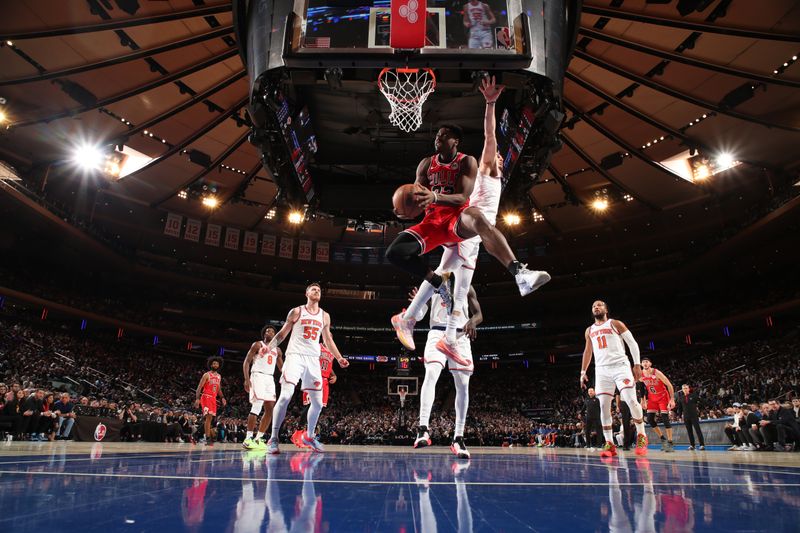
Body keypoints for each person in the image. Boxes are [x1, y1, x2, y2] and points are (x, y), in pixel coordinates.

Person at [390, 78, 549, 358]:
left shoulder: (486, 172)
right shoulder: (483, 165)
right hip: (463, 225)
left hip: (468, 231)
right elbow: (490, 137)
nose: (496, 156)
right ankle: (519, 274)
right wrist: (490, 103)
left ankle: (428, 328)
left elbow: (464, 194)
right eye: (496, 155)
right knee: (454, 281)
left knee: (456, 288)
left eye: (500, 157)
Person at [264, 283, 349, 454]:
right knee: (286, 395)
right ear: (306, 293)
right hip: (295, 356)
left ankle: (309, 436)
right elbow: (282, 333)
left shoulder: (325, 316)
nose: (316, 291)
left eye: (318, 290)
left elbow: (328, 340)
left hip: (313, 359)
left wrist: (339, 357)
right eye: (313, 289)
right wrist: (270, 347)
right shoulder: (296, 311)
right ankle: (273, 438)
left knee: (318, 403)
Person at [412, 284, 483, 459]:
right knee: (431, 373)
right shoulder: (432, 282)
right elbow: (420, 315)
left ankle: (458, 438)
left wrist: (472, 321)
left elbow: (479, 314)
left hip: (460, 335)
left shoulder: (467, 284)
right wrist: (417, 304)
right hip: (437, 331)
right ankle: (423, 429)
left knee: (463, 385)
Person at [580, 300, 649, 457]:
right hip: (602, 370)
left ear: (605, 309)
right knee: (603, 405)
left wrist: (637, 364)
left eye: (599, 305)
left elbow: (632, 343)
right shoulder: (589, 330)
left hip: (620, 366)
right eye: (593, 306)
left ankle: (641, 435)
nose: (596, 307)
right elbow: (587, 351)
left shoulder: (615, 324)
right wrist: (583, 372)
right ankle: (609, 444)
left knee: (630, 400)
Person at [242, 325, 284, 450]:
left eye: (271, 331)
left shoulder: (278, 350)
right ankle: (248, 438)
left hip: (270, 379)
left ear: (275, 335)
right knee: (257, 405)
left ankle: (258, 438)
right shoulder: (257, 345)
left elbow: (282, 368)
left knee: (270, 409)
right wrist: (246, 379)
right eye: (266, 331)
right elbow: (247, 361)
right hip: (257, 375)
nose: (268, 332)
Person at [641, 357, 676, 452]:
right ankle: (663, 438)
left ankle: (670, 442)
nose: (645, 363)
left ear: (650, 363)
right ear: (641, 364)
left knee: (665, 418)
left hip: (663, 397)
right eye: (643, 362)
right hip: (652, 398)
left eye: (646, 362)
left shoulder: (657, 373)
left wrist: (672, 399)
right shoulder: (641, 374)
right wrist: (643, 400)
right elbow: (641, 388)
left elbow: (669, 385)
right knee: (650, 419)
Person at [194, 356, 226, 446]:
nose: (215, 365)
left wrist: (222, 397)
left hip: (213, 398)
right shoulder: (206, 375)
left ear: (219, 365)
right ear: (211, 364)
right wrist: (197, 399)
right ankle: (207, 439)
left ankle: (196, 435)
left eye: (217, 364)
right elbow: (199, 387)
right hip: (206, 397)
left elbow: (219, 389)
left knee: (210, 419)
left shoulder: (219, 376)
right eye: (214, 363)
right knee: (208, 418)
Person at [675, 384, 705, 450]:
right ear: (682, 390)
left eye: (686, 388)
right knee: (689, 431)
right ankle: (692, 445)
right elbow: (680, 408)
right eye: (684, 388)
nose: (685, 389)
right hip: (686, 417)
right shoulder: (681, 398)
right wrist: (680, 417)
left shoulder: (693, 395)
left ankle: (702, 444)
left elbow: (702, 402)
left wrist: (700, 411)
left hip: (694, 416)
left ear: (689, 389)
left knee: (698, 430)